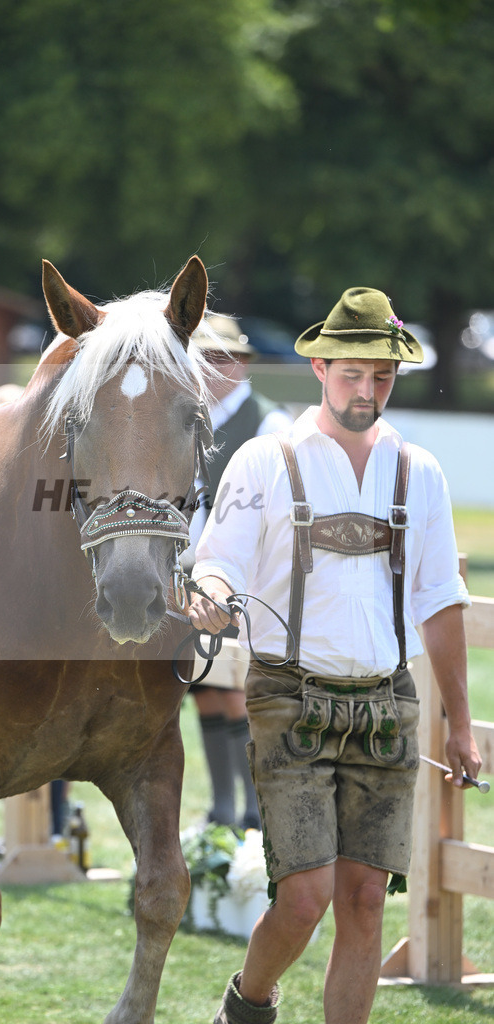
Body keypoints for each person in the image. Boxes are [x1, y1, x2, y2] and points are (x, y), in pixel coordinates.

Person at [188, 287, 482, 1024]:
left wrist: (458, 722)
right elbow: (215, 559)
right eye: (352, 373)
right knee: (304, 898)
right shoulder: (263, 459)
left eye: (382, 376)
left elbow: (440, 600)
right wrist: (210, 594)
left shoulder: (420, 472)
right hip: (288, 697)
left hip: (385, 702)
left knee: (361, 901)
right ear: (318, 365)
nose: (367, 390)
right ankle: (246, 1006)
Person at [187, 315, 293, 832]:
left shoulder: (268, 423)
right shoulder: (189, 416)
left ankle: (253, 809)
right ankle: (222, 807)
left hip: (244, 577)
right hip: (192, 574)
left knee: (237, 692)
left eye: (220, 356)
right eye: (201, 357)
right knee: (204, 689)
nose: (209, 367)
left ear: (243, 363)